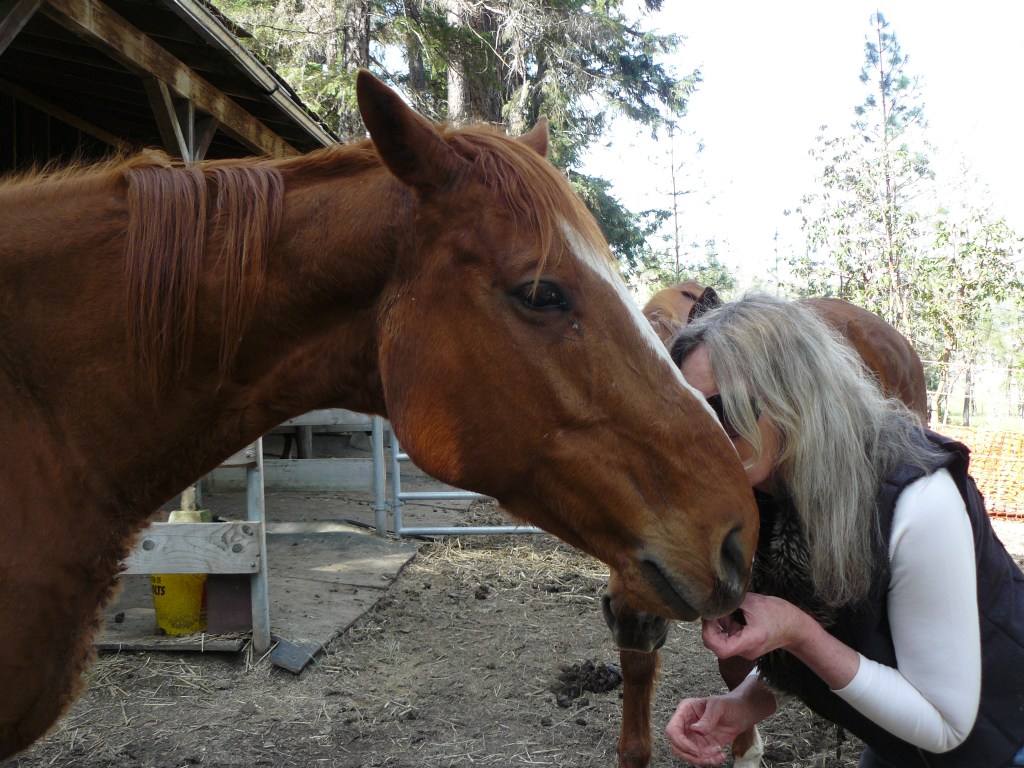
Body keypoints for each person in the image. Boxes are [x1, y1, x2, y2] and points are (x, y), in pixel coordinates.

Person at [662, 292, 1024, 768]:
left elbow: (945, 724)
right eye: (693, 417)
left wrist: (798, 633)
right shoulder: (766, 485)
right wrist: (743, 703)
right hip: (899, 739)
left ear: (792, 397)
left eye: (723, 412)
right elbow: (854, 641)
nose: (707, 440)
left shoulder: (916, 498)